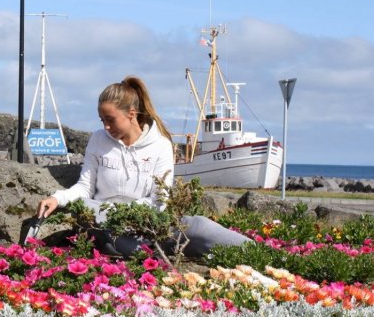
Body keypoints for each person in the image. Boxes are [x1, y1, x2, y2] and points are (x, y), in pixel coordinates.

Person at [36, 75, 250, 258]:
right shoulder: (98, 140)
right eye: (102, 120)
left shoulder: (161, 145)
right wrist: (57, 198)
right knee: (89, 211)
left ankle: (257, 251)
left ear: (131, 113)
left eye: (110, 119)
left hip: (148, 225)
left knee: (198, 226)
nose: (106, 126)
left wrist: (125, 215)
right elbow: (85, 187)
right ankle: (148, 252)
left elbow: (159, 201)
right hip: (106, 224)